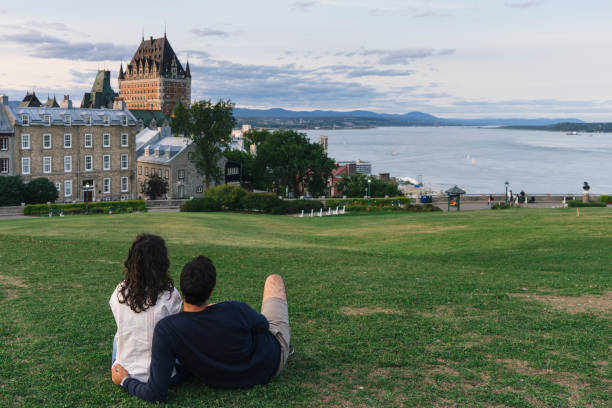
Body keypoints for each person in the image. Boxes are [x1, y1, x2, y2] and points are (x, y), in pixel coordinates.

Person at [111, 256, 292, 403]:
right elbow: (264, 326)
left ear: (180, 291)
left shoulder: (170, 330)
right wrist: (224, 311)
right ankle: (288, 347)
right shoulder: (235, 309)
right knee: (273, 279)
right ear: (211, 291)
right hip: (272, 359)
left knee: (116, 339)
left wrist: (126, 380)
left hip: (224, 378)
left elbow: (155, 393)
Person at [109, 234, 182, 383]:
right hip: (163, 375)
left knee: (119, 335)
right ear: (163, 262)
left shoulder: (119, 291)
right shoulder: (170, 295)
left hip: (123, 370)